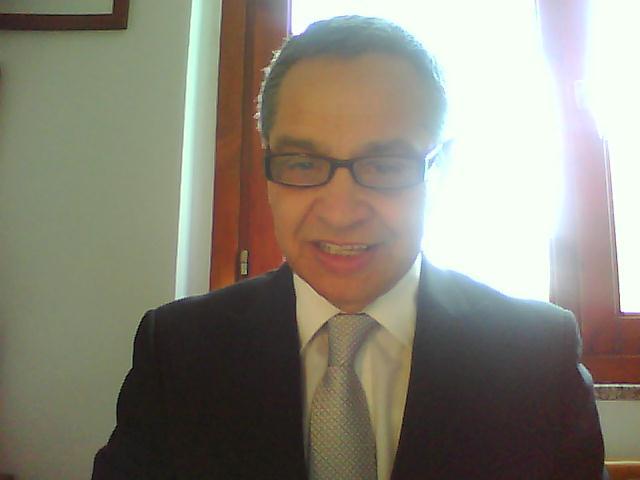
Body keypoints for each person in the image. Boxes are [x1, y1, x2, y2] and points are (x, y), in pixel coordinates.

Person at [92, 16, 606, 480]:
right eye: (302, 163)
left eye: (384, 166)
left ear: (441, 169)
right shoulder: (178, 351)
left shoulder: (535, 356)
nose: (340, 212)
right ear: (268, 164)